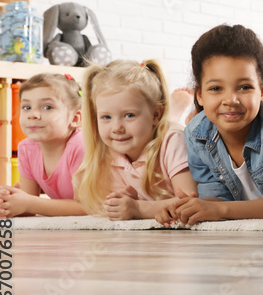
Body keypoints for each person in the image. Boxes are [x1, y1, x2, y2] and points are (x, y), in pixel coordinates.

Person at [164, 24, 263, 225]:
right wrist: (188, 208)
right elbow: (214, 199)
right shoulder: (196, 133)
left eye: (244, 87)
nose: (230, 99)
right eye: (216, 88)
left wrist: (218, 209)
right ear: (199, 95)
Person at [74, 60, 196, 220]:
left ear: (155, 115)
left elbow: (191, 202)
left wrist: (138, 208)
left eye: (129, 115)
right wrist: (123, 201)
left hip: (165, 133)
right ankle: (172, 112)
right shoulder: (111, 149)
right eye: (106, 117)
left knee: (170, 128)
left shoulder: (173, 140)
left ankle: (173, 113)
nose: (116, 127)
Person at [0, 73, 86, 217]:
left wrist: (29, 203)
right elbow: (30, 202)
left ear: (75, 118)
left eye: (47, 107)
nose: (33, 114)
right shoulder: (27, 149)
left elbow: (87, 207)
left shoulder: (81, 146)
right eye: (27, 107)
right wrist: (11, 203)